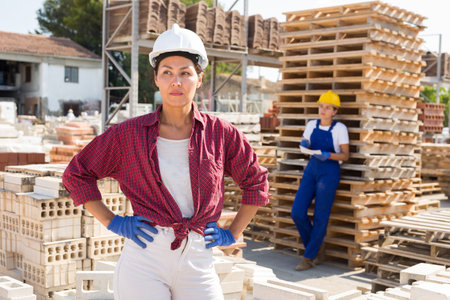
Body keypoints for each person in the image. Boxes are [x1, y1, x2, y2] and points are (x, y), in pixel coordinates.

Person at [62, 23, 269, 299]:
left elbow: (256, 181)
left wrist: (233, 232)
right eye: (167, 73)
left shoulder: (221, 133)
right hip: (145, 258)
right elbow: (77, 174)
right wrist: (114, 222)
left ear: (199, 79)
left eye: (185, 73)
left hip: (198, 256)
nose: (176, 82)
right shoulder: (128, 134)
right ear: (156, 79)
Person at [291, 90, 349, 271]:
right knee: (297, 212)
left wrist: (328, 155)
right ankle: (315, 249)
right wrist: (303, 146)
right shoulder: (311, 125)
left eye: (327, 108)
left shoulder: (340, 129)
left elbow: (345, 155)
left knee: (320, 216)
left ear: (335, 111)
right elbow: (305, 142)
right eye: (321, 106)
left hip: (329, 171)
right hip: (312, 169)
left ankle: (308, 257)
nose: (323, 110)